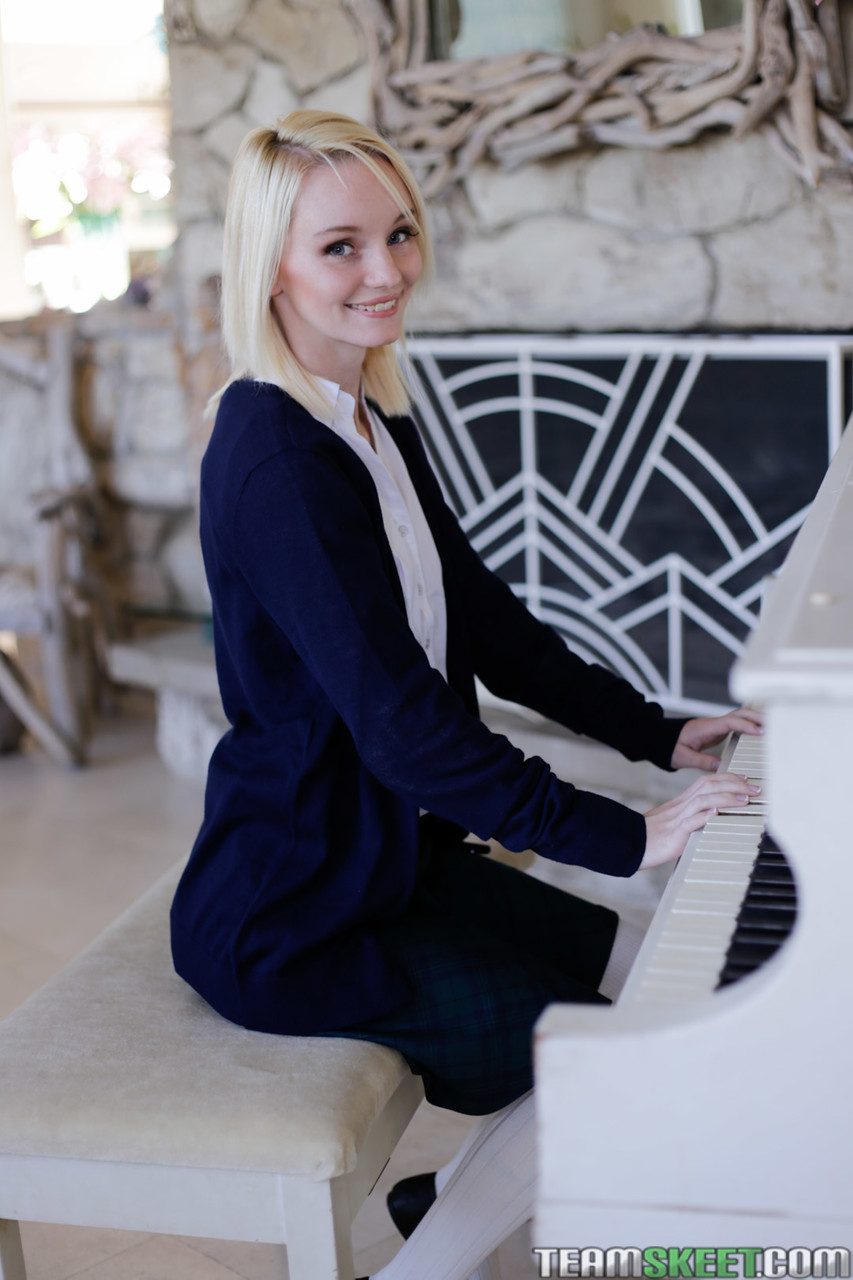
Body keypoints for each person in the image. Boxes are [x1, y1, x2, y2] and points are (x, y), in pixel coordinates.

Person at [169, 110, 762, 1280]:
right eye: (339, 246)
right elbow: (406, 731)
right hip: (297, 909)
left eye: (398, 233)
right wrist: (625, 834)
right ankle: (428, 1258)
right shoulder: (279, 457)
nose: (385, 270)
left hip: (389, 863)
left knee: (638, 967)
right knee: (595, 1045)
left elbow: (487, 622)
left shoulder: (364, 418)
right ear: (270, 265)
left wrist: (655, 731)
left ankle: (441, 1197)